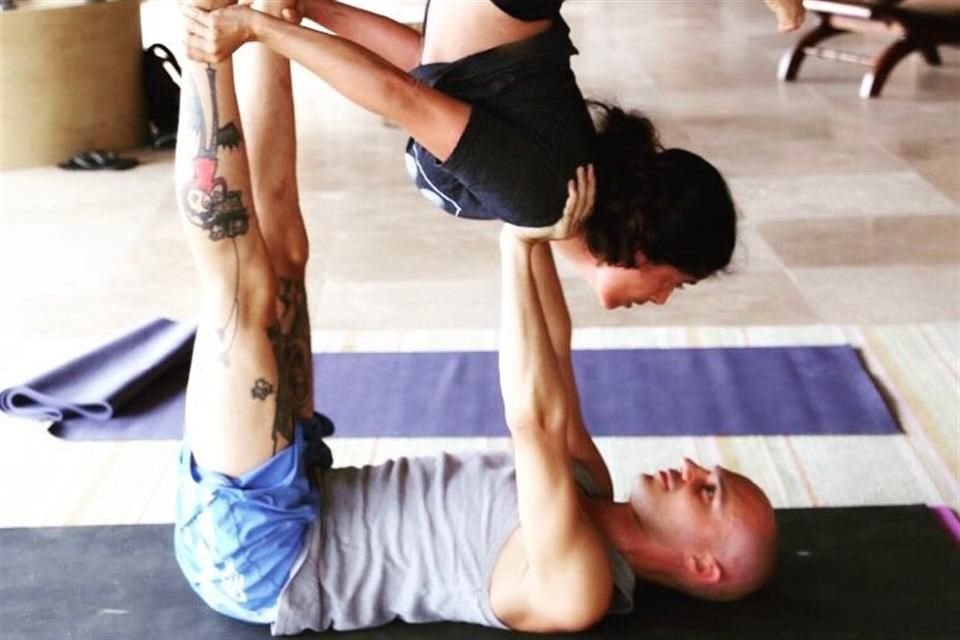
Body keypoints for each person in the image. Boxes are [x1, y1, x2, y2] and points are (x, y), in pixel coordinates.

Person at [171, 22, 778, 635]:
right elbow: (554, 349)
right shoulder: (589, 481)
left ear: (702, 565)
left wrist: (518, 248)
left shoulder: (578, 588)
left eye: (708, 493)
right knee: (285, 250)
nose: (693, 468)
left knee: (243, 296)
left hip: (266, 559)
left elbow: (533, 421)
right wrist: (536, 219)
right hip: (303, 487)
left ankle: (202, 34)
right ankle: (266, 17)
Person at [178, 0, 802, 310]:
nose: (662, 299)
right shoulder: (543, 196)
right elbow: (399, 97)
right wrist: (259, 29)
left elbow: (425, 66)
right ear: (648, 247)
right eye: (676, 282)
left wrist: (310, 7)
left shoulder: (559, 192)